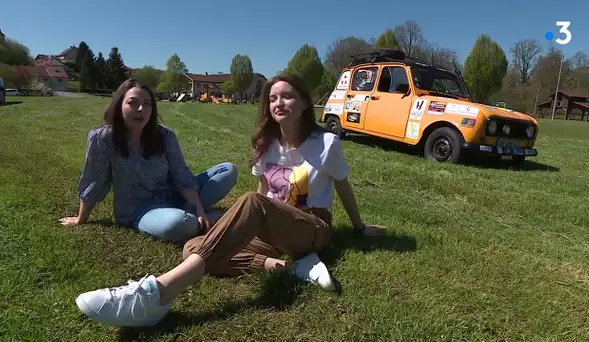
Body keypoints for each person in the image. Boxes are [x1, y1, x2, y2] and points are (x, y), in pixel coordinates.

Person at [74, 74, 386, 327]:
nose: (279, 102)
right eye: (273, 97)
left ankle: (159, 292)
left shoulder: (326, 143)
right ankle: (285, 267)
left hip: (311, 227)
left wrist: (359, 227)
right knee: (192, 247)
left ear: (305, 102)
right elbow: (266, 192)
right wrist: (252, 232)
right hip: (274, 234)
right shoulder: (266, 144)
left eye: (287, 96)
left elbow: (343, 187)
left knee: (250, 203)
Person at [59, 78, 238, 243]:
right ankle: (207, 219)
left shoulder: (165, 135)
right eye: (132, 103)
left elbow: (181, 174)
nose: (141, 109)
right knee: (181, 224)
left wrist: (198, 208)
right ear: (119, 105)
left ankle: (199, 215)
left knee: (228, 170)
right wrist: (80, 219)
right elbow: (94, 181)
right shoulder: (103, 139)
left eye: (147, 104)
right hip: (140, 210)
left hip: (174, 196)